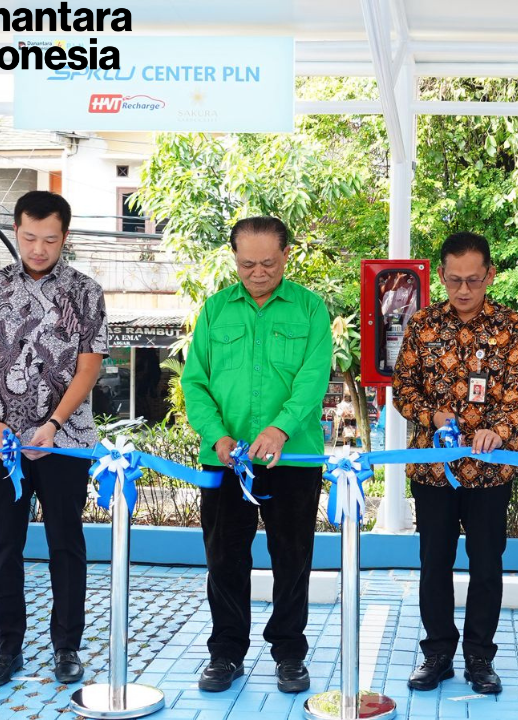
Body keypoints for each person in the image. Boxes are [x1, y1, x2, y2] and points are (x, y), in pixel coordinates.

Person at [0, 191, 107, 687]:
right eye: (28, 238)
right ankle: (7, 649)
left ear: (65, 236)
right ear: (16, 232)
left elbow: (88, 368)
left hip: (65, 441)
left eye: (49, 239)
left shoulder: (86, 292)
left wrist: (54, 425)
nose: (38, 249)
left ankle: (67, 648)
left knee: (67, 543)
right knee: (3, 546)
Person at [181, 216, 332, 694]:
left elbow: (313, 379)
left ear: (286, 255)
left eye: (268, 262)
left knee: (292, 559)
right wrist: (216, 435)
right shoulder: (215, 310)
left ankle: (289, 654)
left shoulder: (310, 310)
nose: (258, 273)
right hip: (225, 461)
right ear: (235, 259)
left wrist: (279, 428)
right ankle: (225, 652)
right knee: (224, 559)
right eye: (247, 264)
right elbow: (194, 383)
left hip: (293, 459)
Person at [392, 231, 518, 695]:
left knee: (486, 566)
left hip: (491, 473)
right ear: (441, 276)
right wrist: (431, 415)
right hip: (434, 471)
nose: (464, 289)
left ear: (490, 275)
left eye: (474, 279)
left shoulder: (513, 327)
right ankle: (437, 654)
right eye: (454, 280)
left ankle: (479, 657)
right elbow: (402, 390)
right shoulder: (422, 325)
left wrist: (500, 429)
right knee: (434, 563)